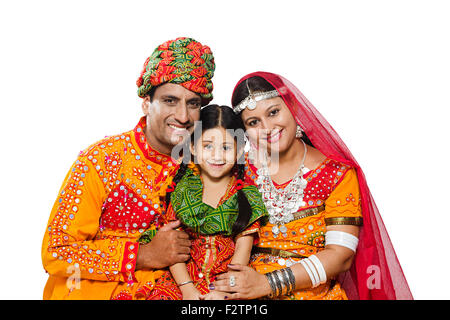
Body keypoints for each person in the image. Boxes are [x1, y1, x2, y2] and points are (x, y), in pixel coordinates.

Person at [210, 72, 413, 300]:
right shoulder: (238, 169)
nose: (267, 127)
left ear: (293, 106)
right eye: (253, 122)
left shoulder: (335, 174)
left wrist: (268, 283)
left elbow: (341, 255)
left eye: (274, 112)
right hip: (243, 291)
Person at [41, 37, 216, 300]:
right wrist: (143, 254)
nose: (183, 116)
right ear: (146, 102)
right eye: (170, 100)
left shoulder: (207, 162)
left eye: (193, 104)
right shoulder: (102, 160)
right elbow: (57, 251)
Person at [139, 105, 268, 300]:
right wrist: (188, 289)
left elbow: (243, 251)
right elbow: (171, 248)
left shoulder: (246, 196)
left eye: (225, 147)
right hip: (181, 281)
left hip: (225, 283)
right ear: (192, 147)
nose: (216, 155)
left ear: (240, 149)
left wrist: (222, 292)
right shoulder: (182, 191)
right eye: (207, 146)